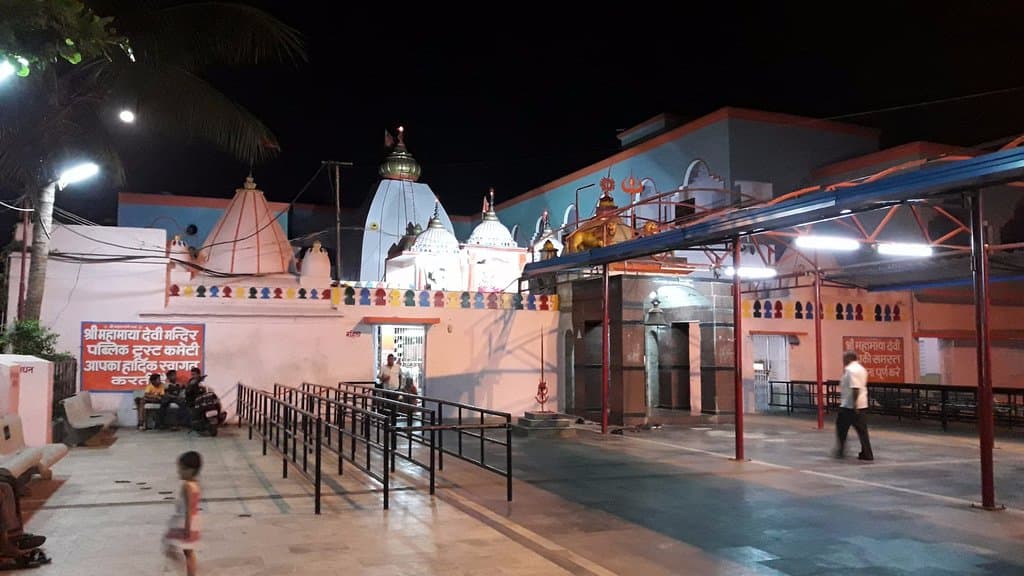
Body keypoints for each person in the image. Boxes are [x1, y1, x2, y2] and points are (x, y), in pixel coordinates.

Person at [163, 451, 202, 576]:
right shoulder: (195, 483)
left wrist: (187, 527)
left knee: (172, 545)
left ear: (190, 470)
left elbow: (189, 509)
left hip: (186, 521)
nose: (178, 472)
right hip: (192, 520)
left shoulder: (187, 486)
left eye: (181, 469)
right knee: (188, 551)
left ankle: (186, 569)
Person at [833, 350, 874, 461]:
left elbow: (855, 388)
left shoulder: (851, 370)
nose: (843, 361)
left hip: (850, 406)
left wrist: (855, 404)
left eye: (844, 359)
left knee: (841, 428)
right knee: (862, 431)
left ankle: (841, 451)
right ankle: (867, 452)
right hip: (861, 404)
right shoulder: (862, 369)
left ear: (848, 359)